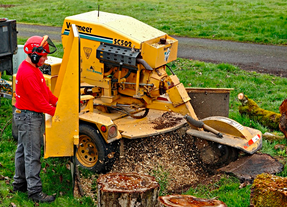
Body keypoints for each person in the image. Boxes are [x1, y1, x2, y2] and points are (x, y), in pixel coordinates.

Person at [12, 35, 58, 203]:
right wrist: (57, 113)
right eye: (43, 55)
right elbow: (39, 104)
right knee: (32, 155)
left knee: (23, 151)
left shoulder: (34, 70)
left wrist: (59, 103)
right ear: (34, 54)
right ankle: (34, 192)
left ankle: (19, 184)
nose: (46, 58)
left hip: (26, 115)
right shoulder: (28, 74)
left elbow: (45, 93)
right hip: (29, 117)